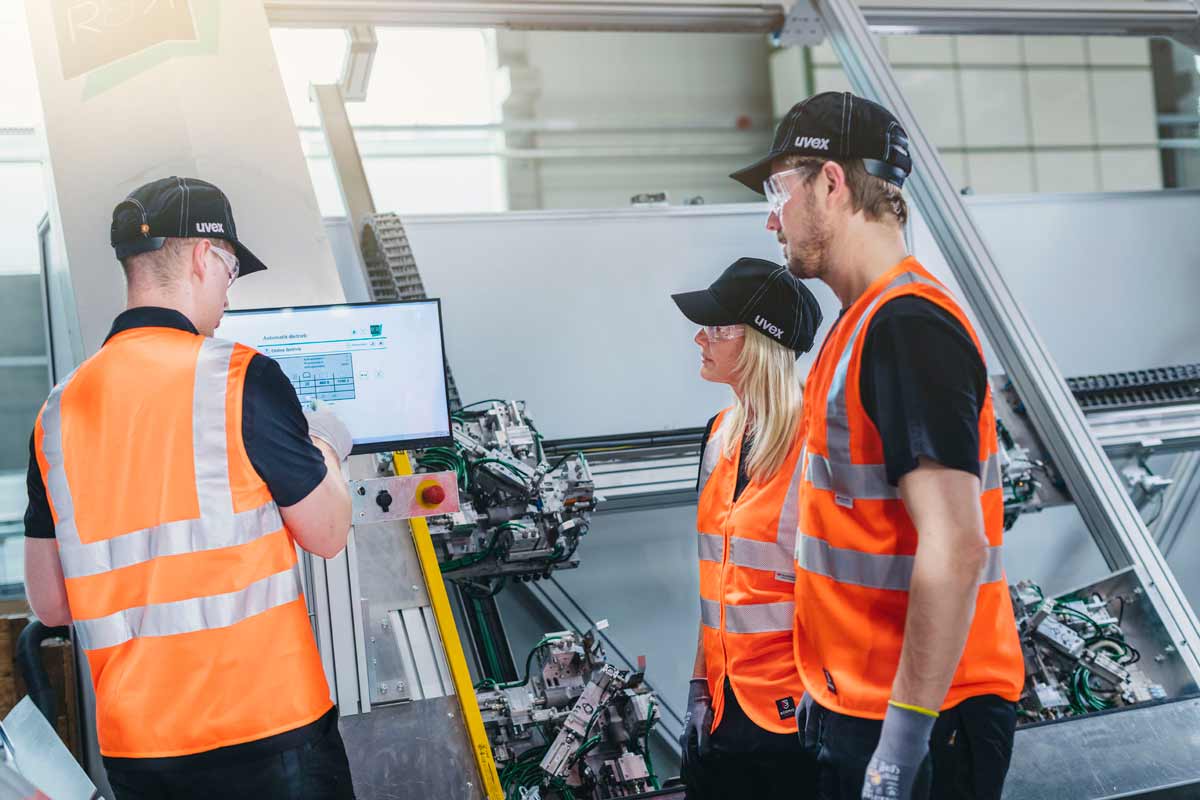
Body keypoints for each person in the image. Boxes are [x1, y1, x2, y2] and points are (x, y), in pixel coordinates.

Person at [729, 93, 1024, 800]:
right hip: (859, 703)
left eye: (779, 190)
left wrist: (900, 746)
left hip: (924, 717)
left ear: (831, 183)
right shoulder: (857, 325)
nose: (773, 217)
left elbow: (955, 546)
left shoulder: (906, 326)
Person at [22, 177, 357, 799]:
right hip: (270, 729)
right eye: (231, 272)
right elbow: (329, 533)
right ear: (205, 256)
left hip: (141, 751)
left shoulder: (55, 414)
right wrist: (327, 446)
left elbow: (49, 605)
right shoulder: (238, 377)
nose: (228, 296)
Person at [670, 257, 823, 799]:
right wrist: (697, 684)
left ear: (761, 341)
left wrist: (830, 692)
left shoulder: (819, 442)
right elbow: (720, 579)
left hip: (798, 721)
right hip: (721, 713)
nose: (699, 339)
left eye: (716, 327)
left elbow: (840, 586)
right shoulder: (718, 436)